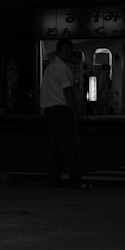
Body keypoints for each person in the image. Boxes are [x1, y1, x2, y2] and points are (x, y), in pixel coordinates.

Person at [40, 37, 88, 188]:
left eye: (71, 50)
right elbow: (67, 91)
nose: (69, 53)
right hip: (61, 109)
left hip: (51, 109)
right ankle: (75, 180)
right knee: (69, 146)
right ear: (59, 51)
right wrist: (75, 112)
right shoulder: (61, 67)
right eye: (66, 50)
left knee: (57, 146)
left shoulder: (52, 66)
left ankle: (53, 178)